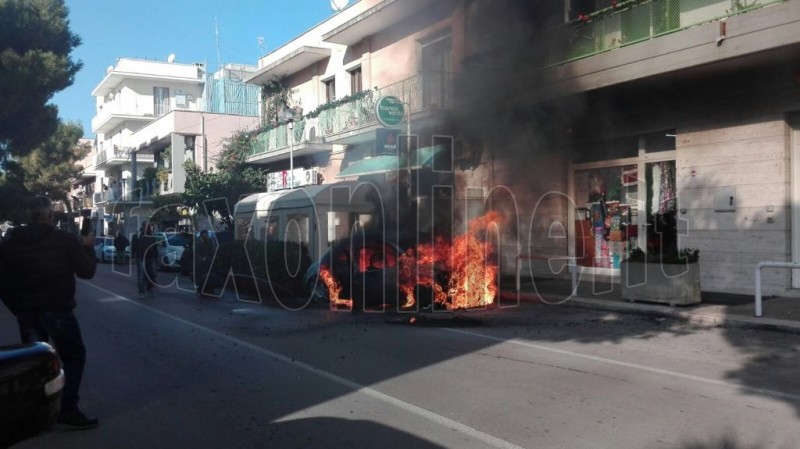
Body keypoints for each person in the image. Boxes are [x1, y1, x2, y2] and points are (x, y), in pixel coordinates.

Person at [0, 196, 99, 429]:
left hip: (27, 312)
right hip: (57, 310)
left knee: (35, 363)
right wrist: (88, 247)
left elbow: (2, 280)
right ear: (50, 215)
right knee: (74, 356)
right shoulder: (64, 240)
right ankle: (68, 409)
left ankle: (36, 411)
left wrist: (17, 307)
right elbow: (86, 272)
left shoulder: (11, 241)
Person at [135, 223, 158, 298]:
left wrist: (156, 256)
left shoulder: (152, 235)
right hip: (141, 257)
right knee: (141, 276)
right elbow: (135, 246)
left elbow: (155, 246)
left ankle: (149, 286)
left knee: (152, 274)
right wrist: (134, 256)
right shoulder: (139, 235)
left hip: (150, 257)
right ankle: (141, 292)